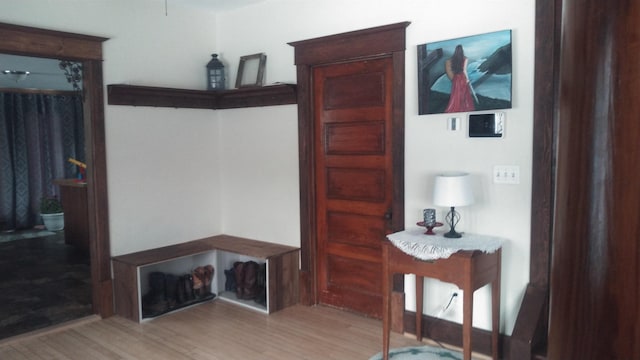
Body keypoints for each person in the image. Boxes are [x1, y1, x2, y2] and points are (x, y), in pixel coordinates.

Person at [444, 44, 475, 112]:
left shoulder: (453, 59)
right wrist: (467, 79)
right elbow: (464, 70)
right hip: (462, 77)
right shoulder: (465, 58)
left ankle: (455, 107)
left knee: (456, 93)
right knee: (464, 93)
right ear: (462, 50)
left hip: (456, 78)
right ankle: (463, 107)